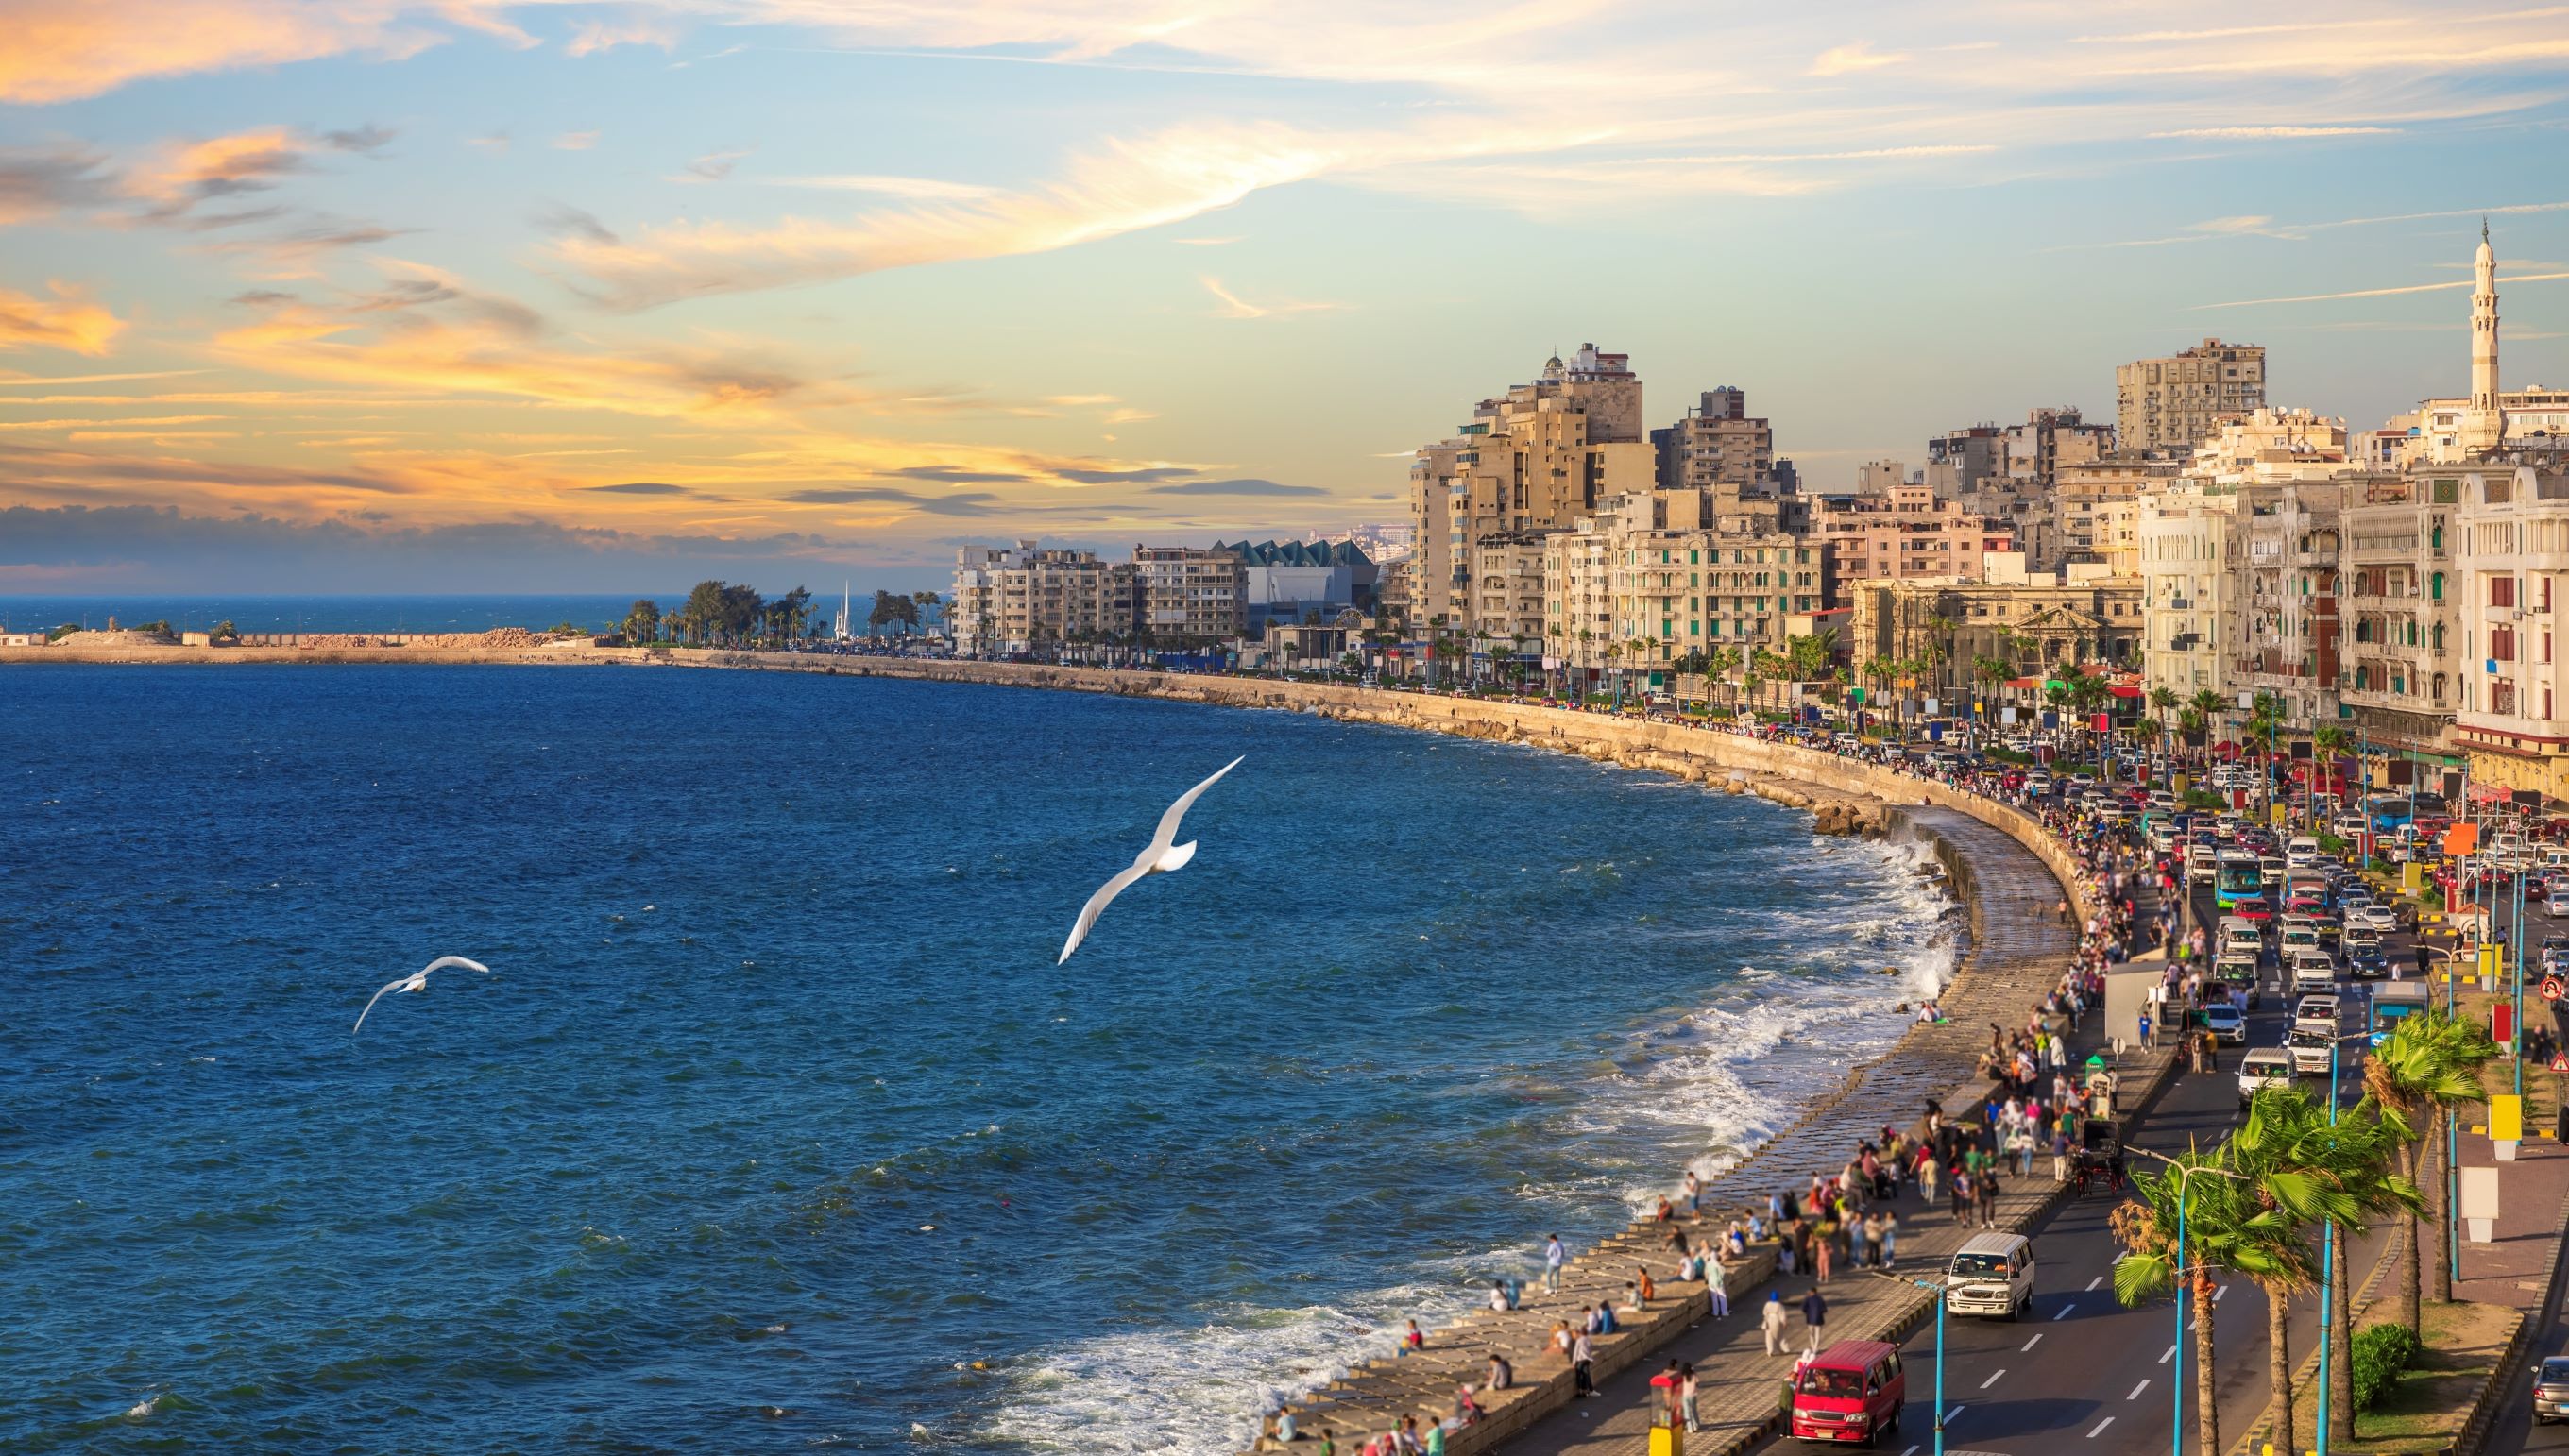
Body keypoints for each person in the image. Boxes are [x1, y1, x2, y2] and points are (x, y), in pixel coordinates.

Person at [1801, 1286, 1829, 1355]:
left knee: (1811, 1334)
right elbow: (1824, 1309)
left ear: (1812, 1292)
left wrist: (1808, 1312)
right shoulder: (1820, 1299)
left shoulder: (1807, 1299)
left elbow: (1804, 1308)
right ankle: (1815, 1349)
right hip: (1819, 1319)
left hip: (1810, 1320)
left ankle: (1813, 1347)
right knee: (1817, 1335)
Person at [1761, 1290, 1789, 1355]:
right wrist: (1784, 1322)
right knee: (1780, 1335)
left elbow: (1764, 1313)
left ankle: (1770, 1351)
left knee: (1769, 1336)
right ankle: (1783, 1349)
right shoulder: (1779, 1305)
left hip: (1769, 1320)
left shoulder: (1767, 1304)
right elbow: (1782, 1314)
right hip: (1777, 1320)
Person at [1572, 1329, 1596, 1397]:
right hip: (1587, 1359)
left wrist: (1574, 1362)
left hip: (1581, 1359)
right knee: (1585, 1375)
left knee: (1578, 1375)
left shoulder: (1579, 1340)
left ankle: (1580, 1391)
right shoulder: (1589, 1340)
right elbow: (1591, 1349)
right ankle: (1586, 1391)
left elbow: (1576, 1352)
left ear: (1580, 1333)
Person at [1680, 1363, 1701, 1433]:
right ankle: (1696, 1425)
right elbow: (1698, 1383)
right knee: (1693, 1410)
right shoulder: (1694, 1375)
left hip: (1684, 1395)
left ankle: (1690, 1428)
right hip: (1693, 1395)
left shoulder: (1682, 1376)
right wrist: (1694, 1371)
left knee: (1686, 1412)